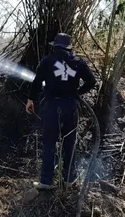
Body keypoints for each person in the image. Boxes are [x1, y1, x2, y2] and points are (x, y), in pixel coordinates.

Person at [25, 33, 96, 190]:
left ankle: (46, 181)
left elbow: (37, 82)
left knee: (49, 143)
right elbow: (92, 81)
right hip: (70, 107)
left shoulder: (48, 60)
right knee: (69, 144)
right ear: (69, 47)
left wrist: (31, 100)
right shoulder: (78, 62)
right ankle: (69, 180)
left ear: (54, 46)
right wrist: (78, 92)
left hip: (51, 106)